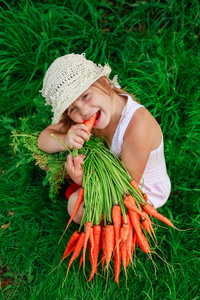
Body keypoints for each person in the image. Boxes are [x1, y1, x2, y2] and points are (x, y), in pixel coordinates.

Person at [38, 53, 171, 224]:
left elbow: (125, 187)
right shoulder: (89, 113)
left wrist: (81, 179)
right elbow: (43, 140)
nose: (84, 111)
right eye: (72, 109)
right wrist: (66, 139)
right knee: (44, 163)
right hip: (109, 171)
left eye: (85, 96)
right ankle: (78, 181)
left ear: (103, 83)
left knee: (76, 207)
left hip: (136, 188)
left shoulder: (137, 125)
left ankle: (122, 223)